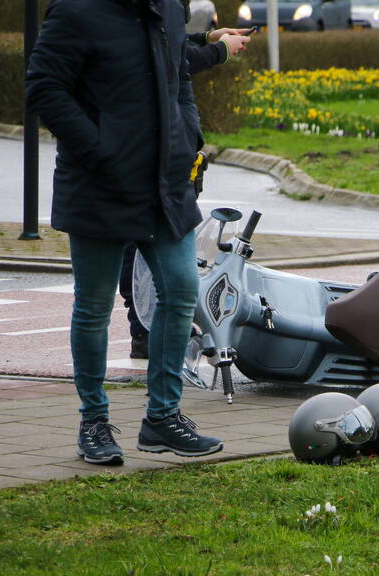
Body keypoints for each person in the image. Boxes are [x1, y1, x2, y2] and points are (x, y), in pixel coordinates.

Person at [25, 0, 242, 466]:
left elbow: (177, 72)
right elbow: (44, 87)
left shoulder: (166, 7)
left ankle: (162, 418)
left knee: (182, 291)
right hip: (100, 185)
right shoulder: (76, 10)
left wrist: (189, 140)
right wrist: (99, 151)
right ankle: (94, 423)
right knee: (94, 306)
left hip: (165, 183)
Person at [122, 25, 252, 359]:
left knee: (155, 251)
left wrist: (205, 37)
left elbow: (169, 40)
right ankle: (147, 330)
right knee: (145, 251)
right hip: (158, 153)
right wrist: (220, 49)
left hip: (174, 153)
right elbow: (170, 58)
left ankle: (155, 331)